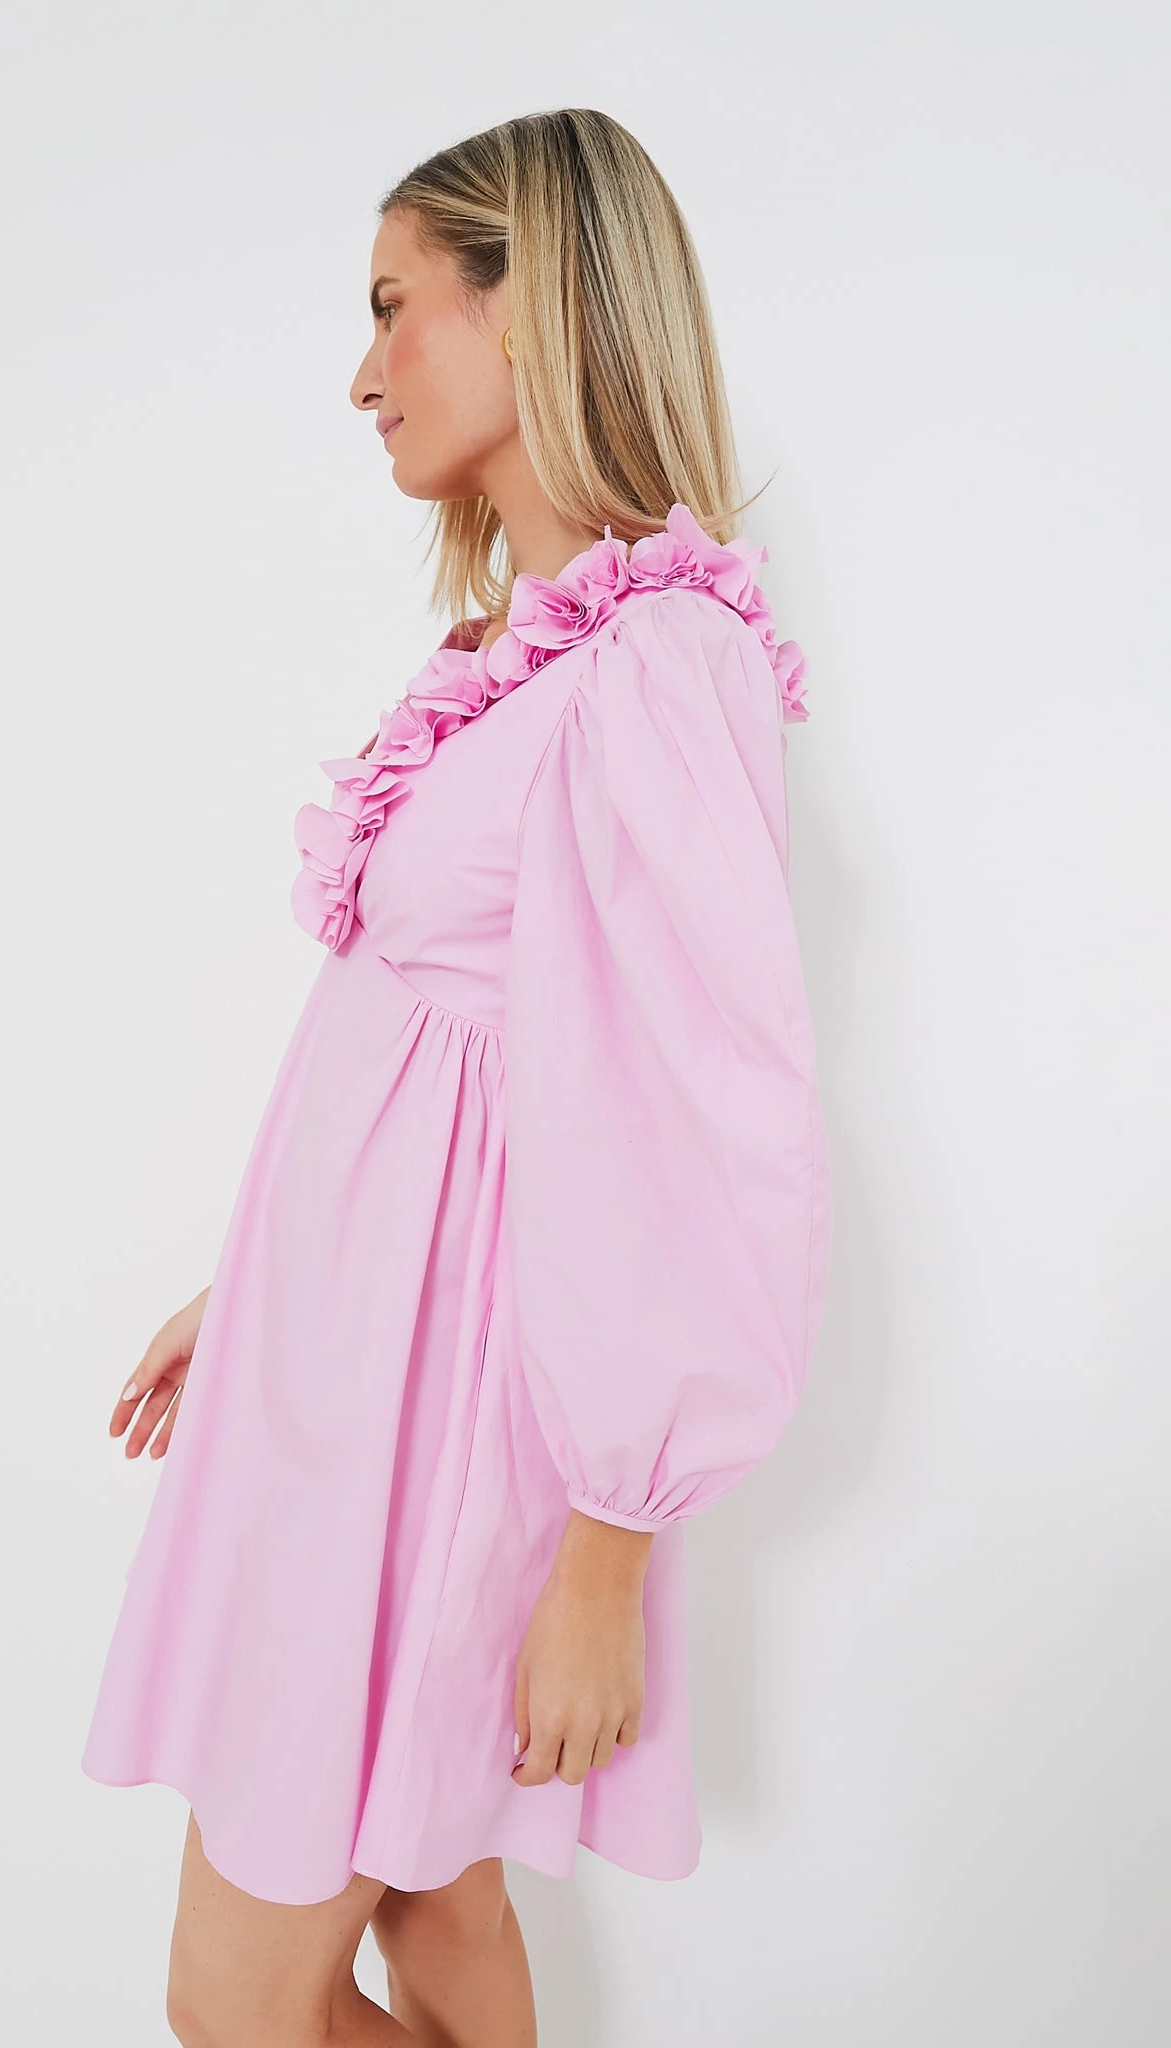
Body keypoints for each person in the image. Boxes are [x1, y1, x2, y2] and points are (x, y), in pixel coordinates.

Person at [81, 107, 832, 2046]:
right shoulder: (529, 662)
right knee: (437, 1906)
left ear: (534, 307)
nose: (362, 372)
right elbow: (436, 1059)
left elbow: (693, 1125)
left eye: (393, 306)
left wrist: (605, 1553)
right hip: (356, 1373)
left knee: (238, 2001)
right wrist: (261, 1280)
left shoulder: (654, 670)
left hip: (457, 1428)